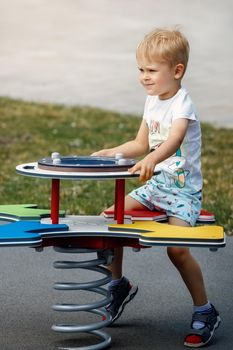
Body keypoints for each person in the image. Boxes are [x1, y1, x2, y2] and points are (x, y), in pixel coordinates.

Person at [92, 27, 221, 347]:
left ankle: (205, 311)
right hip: (155, 187)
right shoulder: (152, 101)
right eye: (141, 70)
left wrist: (152, 158)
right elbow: (141, 142)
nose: (144, 77)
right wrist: (113, 152)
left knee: (177, 249)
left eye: (151, 70)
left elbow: (173, 140)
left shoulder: (182, 104)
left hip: (181, 190)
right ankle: (118, 285)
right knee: (109, 221)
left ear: (177, 71)